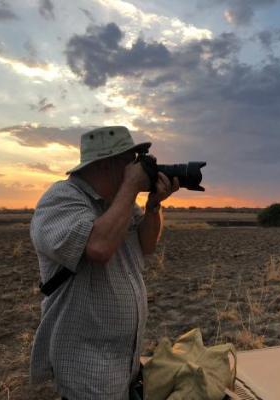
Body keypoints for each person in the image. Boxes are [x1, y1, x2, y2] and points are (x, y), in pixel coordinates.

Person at [29, 126, 180, 399]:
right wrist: (131, 187)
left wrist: (154, 205)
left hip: (123, 360)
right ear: (108, 163)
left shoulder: (119, 203)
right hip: (86, 364)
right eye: (130, 160)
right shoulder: (61, 200)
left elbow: (147, 245)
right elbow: (98, 247)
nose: (136, 168)